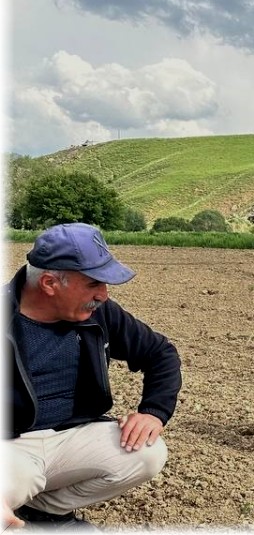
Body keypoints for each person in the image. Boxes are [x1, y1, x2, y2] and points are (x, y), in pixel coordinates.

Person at [5, 223, 181, 529]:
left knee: (147, 453)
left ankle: (44, 512)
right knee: (19, 478)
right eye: (93, 284)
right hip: (10, 446)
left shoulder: (101, 313)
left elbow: (160, 353)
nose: (103, 294)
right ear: (49, 283)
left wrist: (153, 412)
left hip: (70, 437)